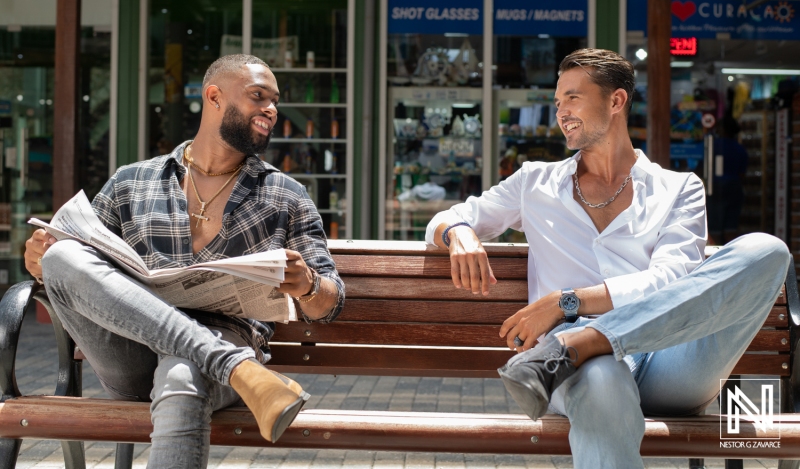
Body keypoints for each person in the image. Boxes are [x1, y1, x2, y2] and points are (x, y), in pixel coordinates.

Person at [426, 48, 790, 469]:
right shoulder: (534, 183)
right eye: (558, 101)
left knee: (767, 250)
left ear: (616, 101)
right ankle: (584, 348)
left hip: (668, 363)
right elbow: (447, 217)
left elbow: (671, 281)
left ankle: (581, 342)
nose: (561, 112)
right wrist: (460, 234)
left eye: (573, 98)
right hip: (578, 373)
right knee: (600, 373)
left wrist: (570, 303)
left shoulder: (678, 189)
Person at [24, 54, 345, 468]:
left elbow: (331, 304)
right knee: (65, 255)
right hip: (130, 353)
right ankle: (237, 370)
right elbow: (77, 272)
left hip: (226, 340)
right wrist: (40, 260)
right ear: (214, 97)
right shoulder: (131, 181)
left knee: (182, 373)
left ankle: (224, 362)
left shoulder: (285, 194)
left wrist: (307, 285)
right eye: (257, 96)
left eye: (274, 101)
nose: (271, 109)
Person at [707, 114, 748, 244]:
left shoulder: (712, 145)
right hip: (734, 187)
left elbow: (702, 168)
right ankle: (732, 256)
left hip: (714, 187)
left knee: (714, 229)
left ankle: (716, 257)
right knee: (731, 228)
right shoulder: (740, 149)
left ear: (722, 129)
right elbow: (742, 174)